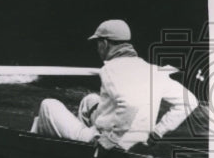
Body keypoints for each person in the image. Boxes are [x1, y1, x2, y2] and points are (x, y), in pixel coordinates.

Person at [32, 19, 197, 150]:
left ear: (104, 43)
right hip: (141, 140)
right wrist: (158, 132)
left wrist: (111, 140)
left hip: (111, 144)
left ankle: (36, 143)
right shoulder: (152, 69)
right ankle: (76, 142)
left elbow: (130, 104)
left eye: (98, 43)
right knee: (89, 100)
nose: (97, 49)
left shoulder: (110, 69)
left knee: (48, 105)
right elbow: (190, 101)